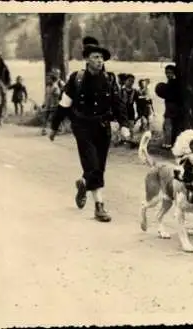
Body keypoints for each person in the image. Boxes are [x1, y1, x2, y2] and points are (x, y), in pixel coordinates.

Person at [49, 36, 130, 222]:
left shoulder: (110, 79)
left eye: (101, 58)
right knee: (92, 164)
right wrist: (54, 126)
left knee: (99, 167)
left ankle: (84, 183)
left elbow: (118, 104)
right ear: (87, 59)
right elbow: (64, 104)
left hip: (103, 127)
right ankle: (99, 206)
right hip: (82, 127)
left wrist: (124, 125)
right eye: (95, 57)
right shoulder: (76, 79)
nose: (99, 61)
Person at [155, 64, 183, 149]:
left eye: (170, 73)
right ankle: (170, 143)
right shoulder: (171, 83)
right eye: (167, 73)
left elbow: (173, 95)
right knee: (168, 126)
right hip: (171, 107)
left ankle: (167, 144)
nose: (168, 75)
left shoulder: (174, 83)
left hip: (172, 107)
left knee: (167, 126)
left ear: (174, 73)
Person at [119, 73, 137, 146]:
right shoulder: (121, 91)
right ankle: (122, 139)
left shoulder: (135, 91)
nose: (130, 83)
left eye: (132, 81)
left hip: (130, 110)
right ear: (125, 81)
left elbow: (138, 102)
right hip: (122, 111)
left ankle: (131, 140)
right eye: (129, 81)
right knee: (122, 125)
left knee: (131, 126)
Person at [0, 53, 11, 126]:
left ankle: (0, 119)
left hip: (2, 88)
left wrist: (6, 86)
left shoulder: (4, 69)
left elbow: (8, 79)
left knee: (1, 104)